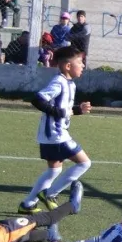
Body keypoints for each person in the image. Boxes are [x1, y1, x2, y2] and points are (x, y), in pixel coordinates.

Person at [19, 46, 93, 214]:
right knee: (84, 163)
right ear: (68, 66)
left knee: (54, 170)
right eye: (80, 62)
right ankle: (51, 194)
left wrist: (78, 109)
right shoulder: (58, 82)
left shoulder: (70, 84)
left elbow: (63, 108)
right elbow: (38, 100)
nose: (83, 66)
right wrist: (59, 113)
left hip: (53, 134)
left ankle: (28, 204)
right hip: (55, 134)